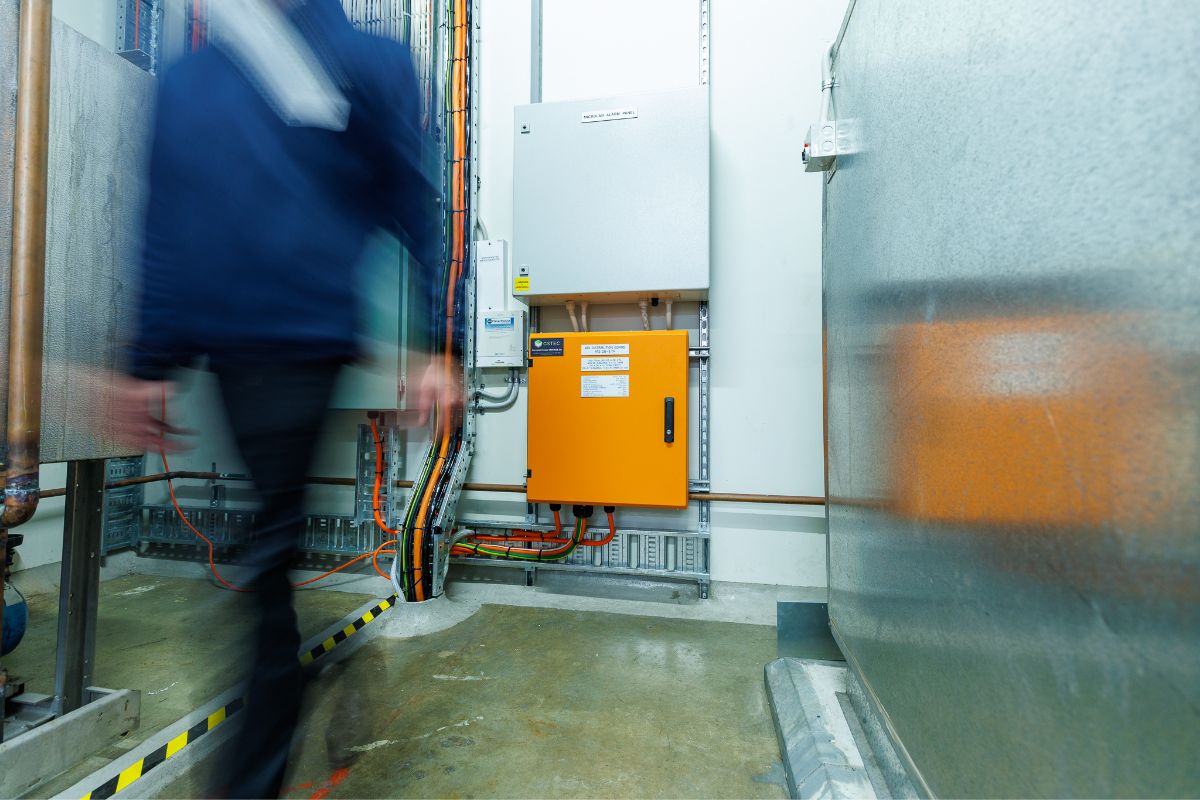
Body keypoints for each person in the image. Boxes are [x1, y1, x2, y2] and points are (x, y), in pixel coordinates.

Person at [109, 0, 451, 795]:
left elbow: (410, 195)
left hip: (304, 343)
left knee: (266, 556)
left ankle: (252, 765)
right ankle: (288, 685)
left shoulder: (360, 59)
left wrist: (435, 344)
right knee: (270, 541)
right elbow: (164, 220)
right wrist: (148, 361)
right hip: (227, 353)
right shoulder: (191, 81)